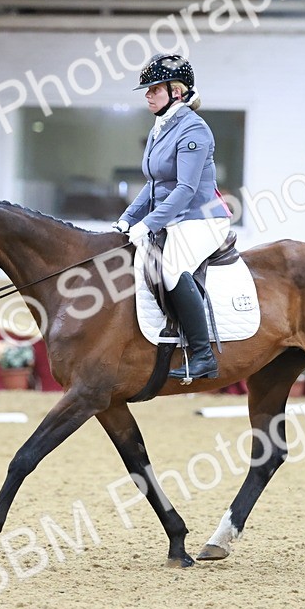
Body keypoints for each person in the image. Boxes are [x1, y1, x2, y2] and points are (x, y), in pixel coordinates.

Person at [112, 53, 232, 382]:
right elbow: (153, 185)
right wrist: (126, 220)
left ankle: (203, 355)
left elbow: (186, 189)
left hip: (202, 217)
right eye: (147, 90)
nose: (148, 95)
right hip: (174, 218)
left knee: (172, 268)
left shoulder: (194, 129)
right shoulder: (158, 129)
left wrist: (148, 224)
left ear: (176, 92)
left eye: (154, 89)